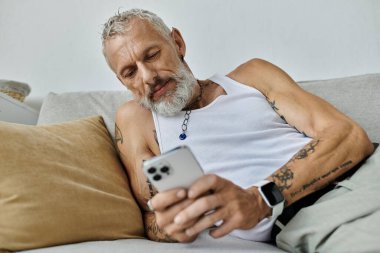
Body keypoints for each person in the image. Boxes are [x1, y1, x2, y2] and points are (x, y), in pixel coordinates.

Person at [101, 8, 377, 251]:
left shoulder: (251, 76)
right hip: (308, 216)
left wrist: (260, 199)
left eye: (152, 55)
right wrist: (172, 229)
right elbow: (149, 218)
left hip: (367, 172)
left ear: (177, 42)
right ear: (121, 81)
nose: (148, 76)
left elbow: (349, 135)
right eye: (130, 72)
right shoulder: (136, 120)